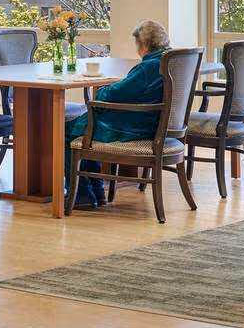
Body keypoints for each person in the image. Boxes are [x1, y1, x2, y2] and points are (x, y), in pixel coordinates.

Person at [66, 19, 172, 208]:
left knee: (69, 130)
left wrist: (103, 89)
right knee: (84, 126)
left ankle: (83, 194)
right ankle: (96, 190)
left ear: (144, 44)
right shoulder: (171, 60)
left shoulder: (148, 67)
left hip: (133, 128)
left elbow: (114, 94)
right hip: (154, 124)